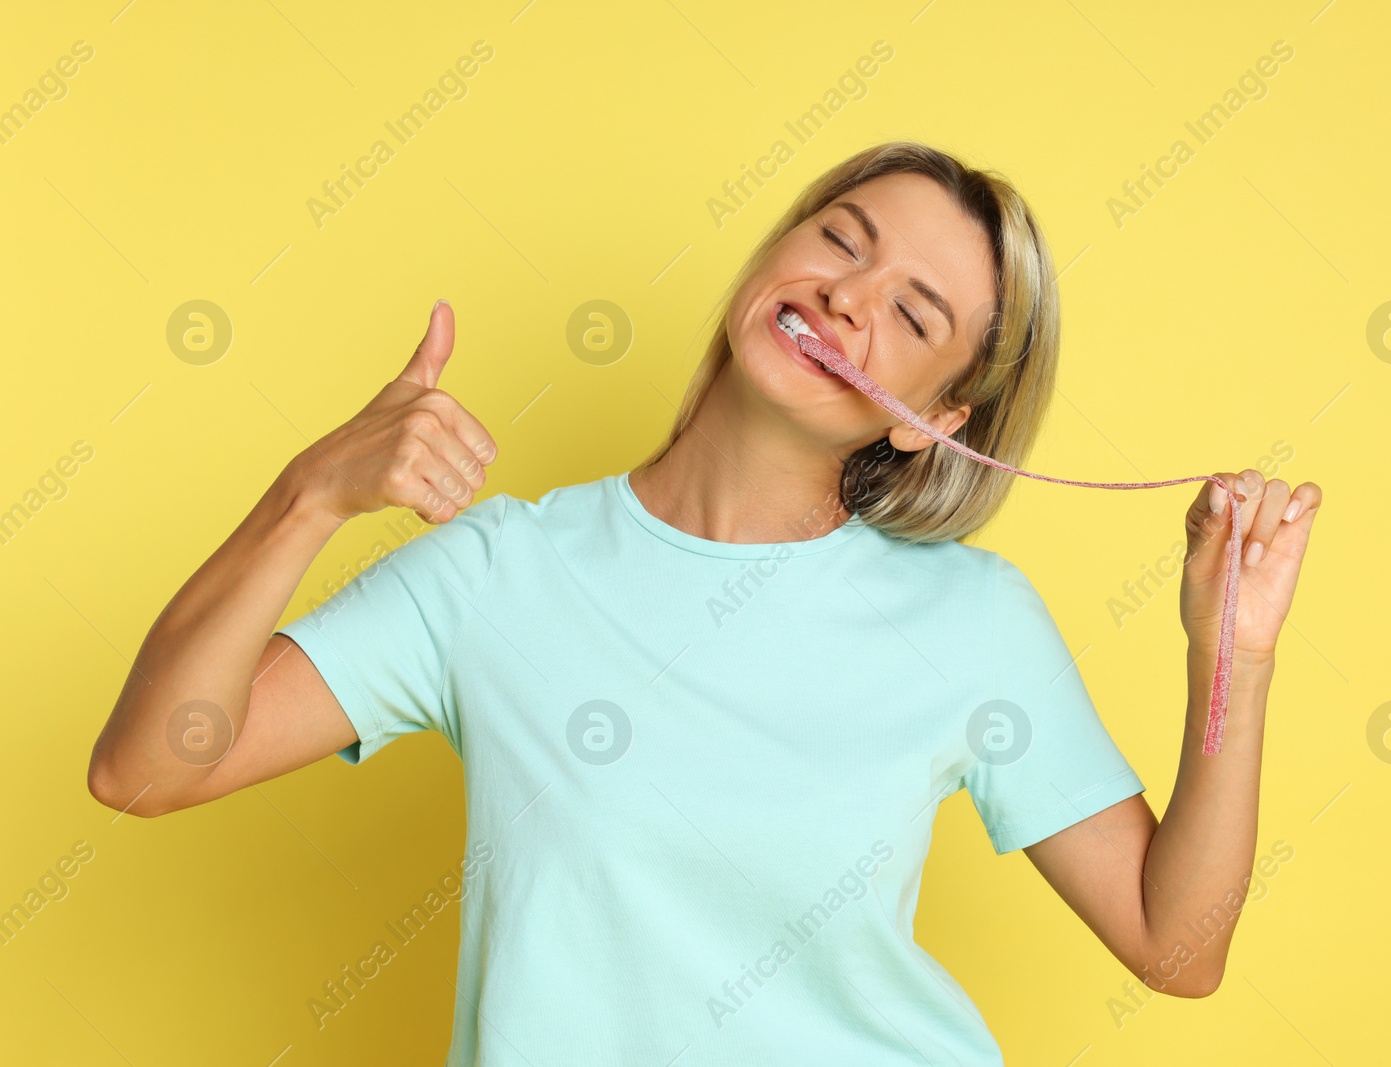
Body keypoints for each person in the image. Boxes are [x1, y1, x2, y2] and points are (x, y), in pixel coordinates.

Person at [87, 141, 1321, 1065]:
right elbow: (144, 767)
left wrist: (1235, 658)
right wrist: (307, 497)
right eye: (841, 239)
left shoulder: (972, 622)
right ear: (774, 255)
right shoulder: (498, 574)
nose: (851, 294)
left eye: (914, 312)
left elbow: (1179, 944)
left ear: (933, 422)